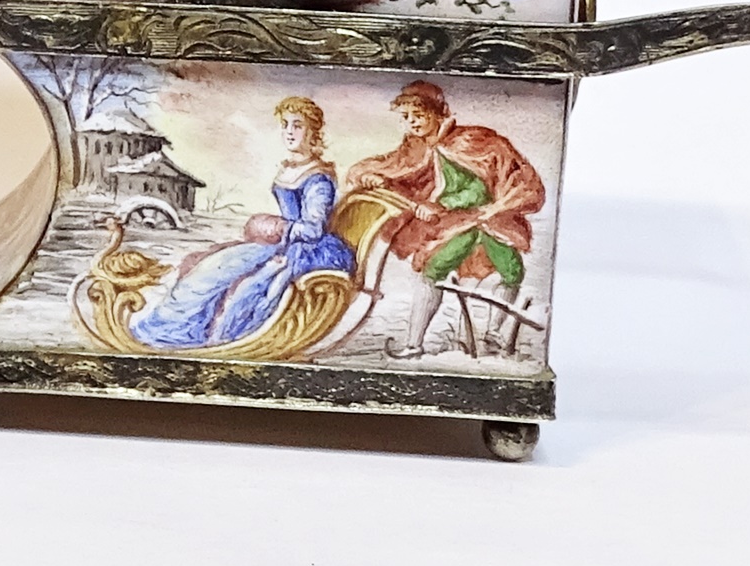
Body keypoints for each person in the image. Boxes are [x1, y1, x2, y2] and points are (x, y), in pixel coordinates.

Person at [126, 96, 353, 350]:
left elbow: (313, 229)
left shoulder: (318, 178)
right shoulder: (291, 168)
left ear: (313, 133)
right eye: (285, 125)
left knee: (249, 286)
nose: (289, 131)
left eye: (298, 125)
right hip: (283, 243)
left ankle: (221, 339)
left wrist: (277, 226)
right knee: (213, 267)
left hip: (308, 251)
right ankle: (174, 330)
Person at [349, 80, 546, 359]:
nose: (412, 122)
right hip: (458, 228)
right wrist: (377, 177)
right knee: (432, 270)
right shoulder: (417, 147)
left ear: (436, 113)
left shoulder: (469, 141)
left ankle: (493, 333)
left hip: (490, 223)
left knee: (512, 272)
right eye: (406, 116)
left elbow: (478, 190)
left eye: (418, 115)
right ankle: (414, 345)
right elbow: (399, 169)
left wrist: (441, 204)